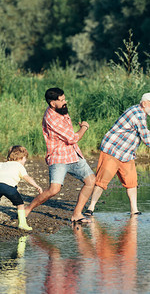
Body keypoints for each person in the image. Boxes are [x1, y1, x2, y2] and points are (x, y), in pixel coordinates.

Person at [84, 92, 150, 216]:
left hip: (126, 153)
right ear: (144, 103)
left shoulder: (140, 112)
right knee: (102, 181)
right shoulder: (138, 114)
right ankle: (90, 208)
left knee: (132, 182)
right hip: (112, 150)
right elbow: (146, 138)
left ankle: (134, 210)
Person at [24, 87, 95, 223]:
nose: (65, 102)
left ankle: (77, 214)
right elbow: (73, 138)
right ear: (52, 103)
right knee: (54, 190)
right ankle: (28, 209)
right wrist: (84, 128)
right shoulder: (51, 118)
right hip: (58, 157)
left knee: (91, 181)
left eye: (64, 98)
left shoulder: (61, 110)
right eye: (61, 100)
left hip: (73, 154)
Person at [0, 145, 43, 231]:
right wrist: (36, 186)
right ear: (21, 158)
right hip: (8, 186)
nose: (25, 161)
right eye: (25, 158)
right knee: (20, 204)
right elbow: (27, 177)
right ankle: (22, 224)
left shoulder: (3, 164)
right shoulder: (19, 166)